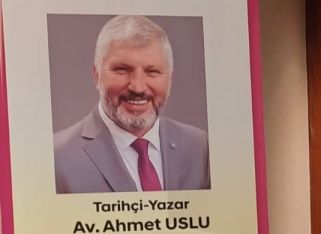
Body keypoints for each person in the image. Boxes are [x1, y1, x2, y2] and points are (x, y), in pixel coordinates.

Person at [53, 15, 210, 193]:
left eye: (152, 71)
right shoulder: (56, 158)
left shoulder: (200, 147)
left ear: (170, 80)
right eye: (122, 70)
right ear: (97, 76)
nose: (138, 87)